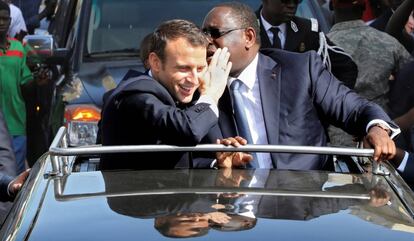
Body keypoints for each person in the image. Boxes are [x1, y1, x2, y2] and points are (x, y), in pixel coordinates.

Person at [202, 2, 400, 170]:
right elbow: (186, 154)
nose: (206, 41)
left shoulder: (301, 69)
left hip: (302, 199)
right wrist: (218, 164)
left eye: (215, 33)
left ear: (249, 37)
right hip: (232, 203)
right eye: (203, 34)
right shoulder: (197, 84)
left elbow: (355, 108)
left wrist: (377, 129)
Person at [100, 19, 250, 170]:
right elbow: (188, 130)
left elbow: (170, 162)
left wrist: (217, 163)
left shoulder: (173, 91)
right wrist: (211, 94)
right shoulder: (135, 94)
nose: (194, 79)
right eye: (183, 68)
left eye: (200, 69)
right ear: (155, 62)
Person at [326, 0, 412, 146]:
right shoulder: (389, 43)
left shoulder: (322, 45)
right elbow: (408, 79)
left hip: (334, 144)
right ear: (364, 7)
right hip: (382, 143)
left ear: (332, 6)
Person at [257, 0, 358, 89]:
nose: (292, 5)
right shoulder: (246, 29)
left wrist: (334, 103)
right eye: (286, 0)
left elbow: (347, 68)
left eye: (297, 1)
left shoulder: (308, 30)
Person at [0, 1, 33, 174]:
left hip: (16, 123)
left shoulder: (19, 48)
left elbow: (26, 82)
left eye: (5, 19)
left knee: (16, 178)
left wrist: (37, 80)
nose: (1, 23)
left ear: (10, 20)